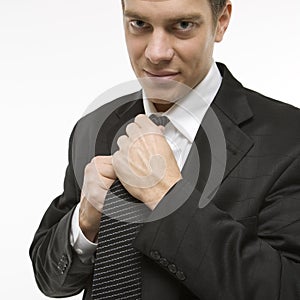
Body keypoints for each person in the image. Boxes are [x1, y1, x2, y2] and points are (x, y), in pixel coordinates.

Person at [30, 0, 300, 299]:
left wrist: (166, 194)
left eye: (182, 25)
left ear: (221, 21)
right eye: (140, 25)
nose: (156, 53)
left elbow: (287, 288)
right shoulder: (95, 126)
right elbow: (51, 281)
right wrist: (85, 219)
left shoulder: (290, 138)